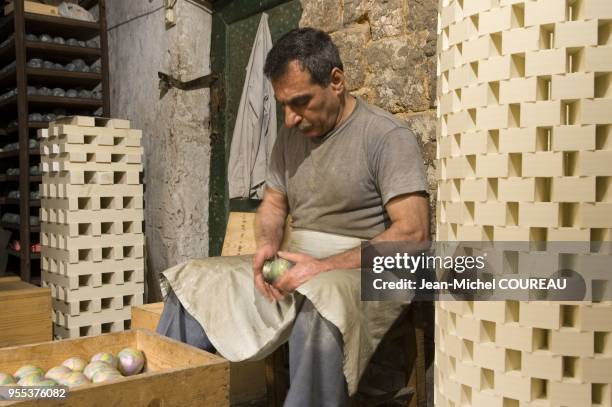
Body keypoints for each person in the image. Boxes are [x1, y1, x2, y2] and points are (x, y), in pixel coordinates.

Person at [156, 27, 429, 406]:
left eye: (299, 102)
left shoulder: (386, 135)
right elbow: (273, 204)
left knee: (322, 305)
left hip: (366, 266)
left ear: (336, 81)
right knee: (192, 284)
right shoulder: (290, 136)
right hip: (300, 258)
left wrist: (324, 266)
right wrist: (268, 245)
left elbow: (413, 234)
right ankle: (164, 398)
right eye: (282, 104)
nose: (289, 119)